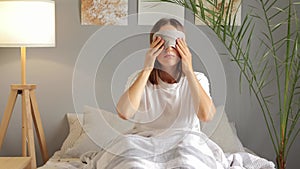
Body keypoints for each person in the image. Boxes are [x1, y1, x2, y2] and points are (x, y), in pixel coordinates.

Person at [116, 18, 216, 134]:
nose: (169, 49)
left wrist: (189, 71)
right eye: (162, 42)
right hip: (144, 141)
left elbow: (206, 116)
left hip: (185, 141)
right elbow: (124, 113)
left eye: (174, 42)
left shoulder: (198, 79)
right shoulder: (138, 78)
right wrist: (147, 69)